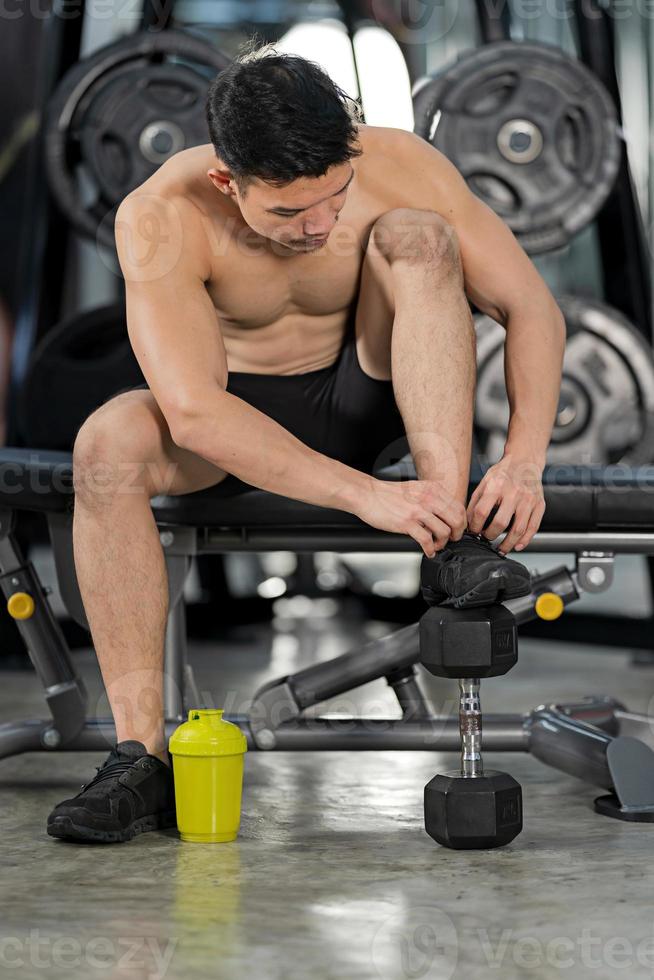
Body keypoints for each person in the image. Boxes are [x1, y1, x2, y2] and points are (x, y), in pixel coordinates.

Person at [47, 42, 565, 842]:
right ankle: (138, 758)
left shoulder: (400, 166)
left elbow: (532, 308)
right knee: (106, 444)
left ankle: (447, 536)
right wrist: (363, 496)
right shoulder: (161, 216)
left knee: (421, 236)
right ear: (229, 180)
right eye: (288, 212)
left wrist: (523, 460)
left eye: (333, 197)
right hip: (232, 422)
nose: (320, 226)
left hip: (370, 396)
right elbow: (193, 413)